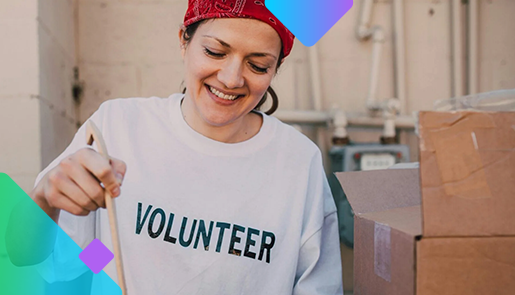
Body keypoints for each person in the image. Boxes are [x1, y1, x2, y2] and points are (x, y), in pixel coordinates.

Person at [8, 0, 343, 294]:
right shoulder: (118, 126)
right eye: (215, 51)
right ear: (184, 41)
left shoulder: (299, 162)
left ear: (275, 70)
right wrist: (44, 198)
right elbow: (28, 257)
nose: (230, 78)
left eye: (258, 65)